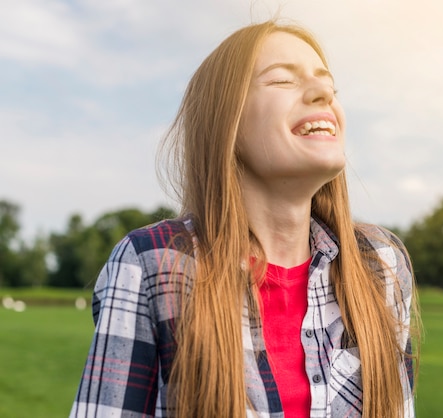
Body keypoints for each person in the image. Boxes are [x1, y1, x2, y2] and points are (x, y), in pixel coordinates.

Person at [70, 20, 420, 418]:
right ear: (227, 122)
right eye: (282, 81)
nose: (324, 94)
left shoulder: (381, 261)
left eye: (329, 85)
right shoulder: (152, 264)